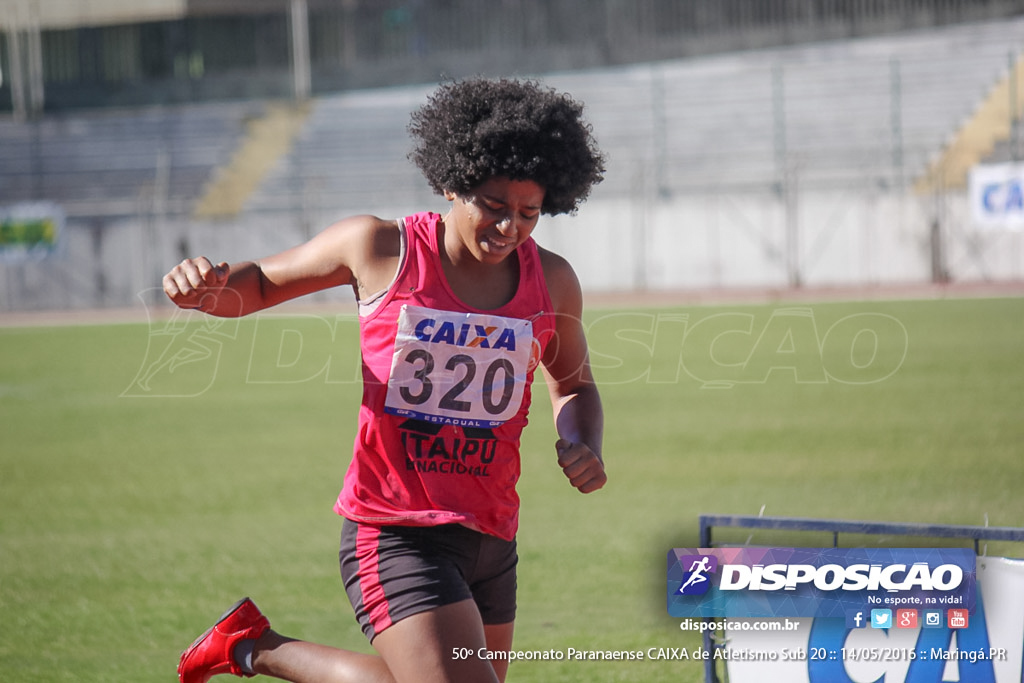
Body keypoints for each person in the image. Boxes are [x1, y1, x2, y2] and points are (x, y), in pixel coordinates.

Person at [164, 77, 607, 683]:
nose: (510, 228)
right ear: (451, 182)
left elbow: (574, 384)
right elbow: (261, 284)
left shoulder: (552, 281)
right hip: (395, 533)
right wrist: (207, 289)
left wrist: (583, 442)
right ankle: (254, 648)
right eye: (494, 208)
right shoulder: (379, 248)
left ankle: (249, 645)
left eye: (529, 214)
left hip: (492, 535)